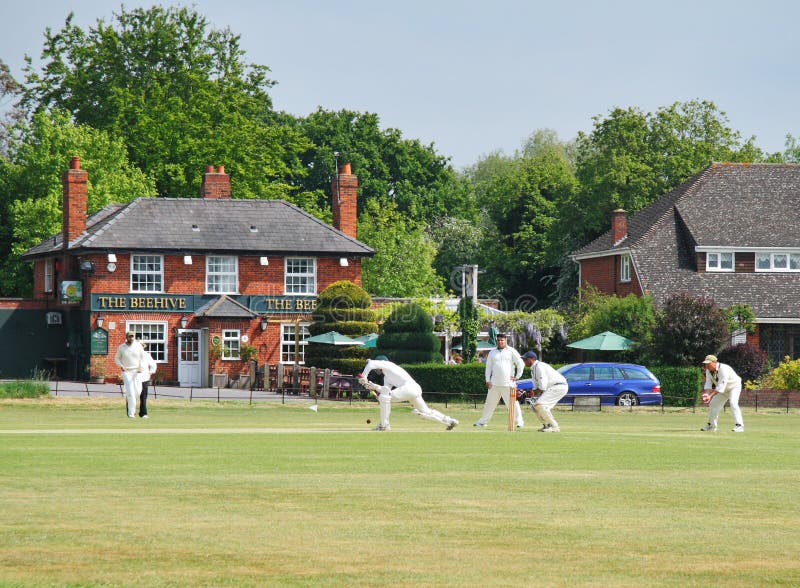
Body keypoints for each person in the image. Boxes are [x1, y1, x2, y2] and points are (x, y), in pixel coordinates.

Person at [358, 355, 459, 431]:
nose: (376, 370)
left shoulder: (388, 364)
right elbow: (386, 390)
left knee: (384, 398)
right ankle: (450, 421)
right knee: (425, 411)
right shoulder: (387, 377)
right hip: (413, 389)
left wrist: (364, 377)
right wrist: (373, 386)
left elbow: (371, 364)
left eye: (376, 368)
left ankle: (384, 425)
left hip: (409, 388)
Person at [474, 333, 525, 428]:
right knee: (489, 404)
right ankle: (482, 422)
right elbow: (488, 367)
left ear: (506, 340)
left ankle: (519, 422)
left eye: (502, 340)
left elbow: (520, 363)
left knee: (513, 403)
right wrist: (487, 380)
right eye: (498, 340)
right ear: (496, 341)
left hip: (508, 383)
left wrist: (517, 376)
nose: (500, 342)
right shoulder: (492, 352)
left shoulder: (512, 351)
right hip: (494, 383)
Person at [522, 351, 568, 432]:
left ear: (532, 359)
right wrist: (527, 393)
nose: (524, 361)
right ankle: (547, 425)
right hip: (554, 387)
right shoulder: (533, 369)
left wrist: (531, 393)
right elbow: (536, 388)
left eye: (525, 359)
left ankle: (555, 427)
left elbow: (542, 387)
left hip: (559, 386)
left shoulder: (539, 366)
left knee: (540, 405)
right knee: (535, 406)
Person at [700, 354, 744, 432]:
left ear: (715, 362)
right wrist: (706, 394)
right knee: (713, 404)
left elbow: (721, 386)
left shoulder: (724, 369)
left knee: (733, 403)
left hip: (734, 387)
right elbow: (708, 384)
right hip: (722, 389)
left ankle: (739, 425)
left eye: (708, 364)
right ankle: (711, 426)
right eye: (706, 364)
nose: (707, 366)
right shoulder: (708, 370)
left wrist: (710, 396)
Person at [114, 331, 146, 418]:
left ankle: (131, 408)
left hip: (137, 371)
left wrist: (141, 367)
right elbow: (117, 358)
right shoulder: (121, 347)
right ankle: (131, 414)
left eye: (133, 336)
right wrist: (121, 366)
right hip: (127, 371)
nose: (131, 338)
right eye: (130, 337)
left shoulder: (138, 346)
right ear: (126, 337)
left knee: (138, 392)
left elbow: (143, 357)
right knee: (131, 393)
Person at [136, 343, 157, 419]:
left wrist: (150, 373)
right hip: (133, 378)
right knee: (131, 396)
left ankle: (143, 413)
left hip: (144, 378)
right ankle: (130, 413)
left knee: (143, 397)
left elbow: (153, 365)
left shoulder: (147, 355)